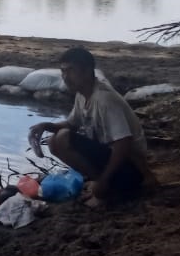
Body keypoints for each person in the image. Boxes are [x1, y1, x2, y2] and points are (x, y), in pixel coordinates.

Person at [27, 47, 157, 205]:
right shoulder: (82, 94)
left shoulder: (104, 99)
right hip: (115, 161)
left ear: (88, 70)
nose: (65, 77)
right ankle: (103, 183)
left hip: (133, 169)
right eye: (63, 71)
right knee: (53, 140)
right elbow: (71, 124)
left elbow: (124, 143)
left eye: (70, 71)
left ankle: (109, 187)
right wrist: (45, 125)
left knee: (62, 138)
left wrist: (103, 180)